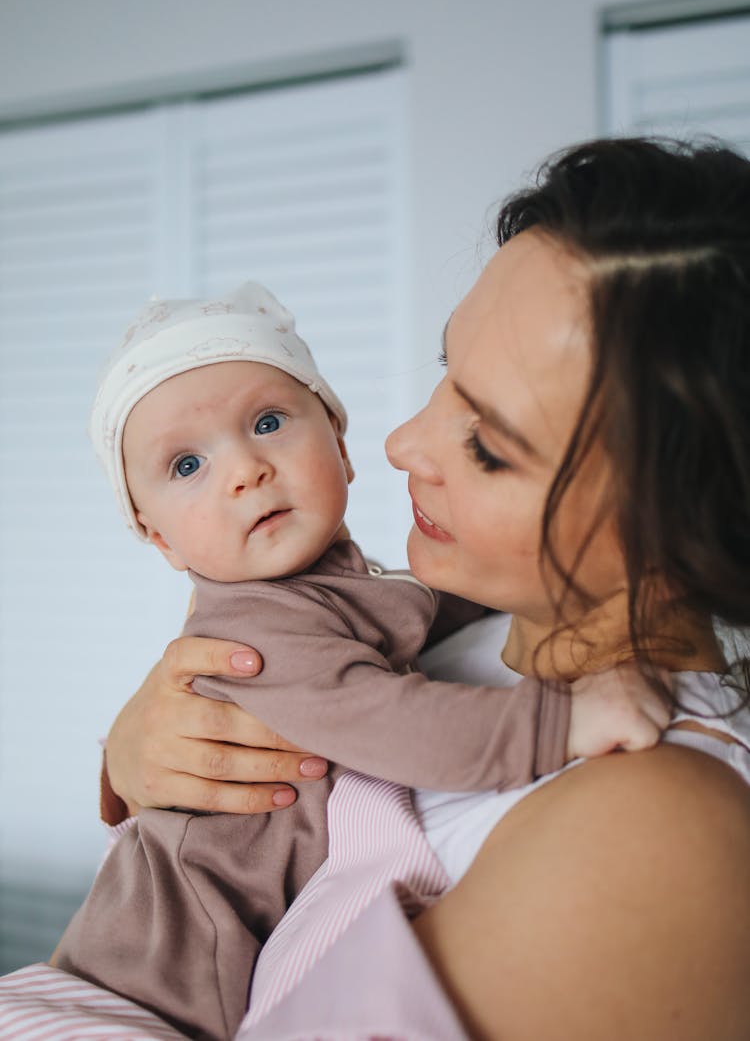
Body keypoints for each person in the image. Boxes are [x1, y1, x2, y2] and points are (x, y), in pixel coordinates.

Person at [97, 137, 750, 1040]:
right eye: (448, 375)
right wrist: (137, 754)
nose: (403, 441)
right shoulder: (462, 627)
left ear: (684, 522)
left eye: (488, 443)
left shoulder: (654, 831)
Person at [52, 284, 662, 1041]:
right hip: (142, 990)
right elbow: (395, 722)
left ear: (339, 442)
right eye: (186, 465)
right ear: (162, 541)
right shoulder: (258, 630)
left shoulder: (344, 584)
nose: (244, 469)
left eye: (268, 422)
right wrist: (563, 720)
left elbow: (420, 609)